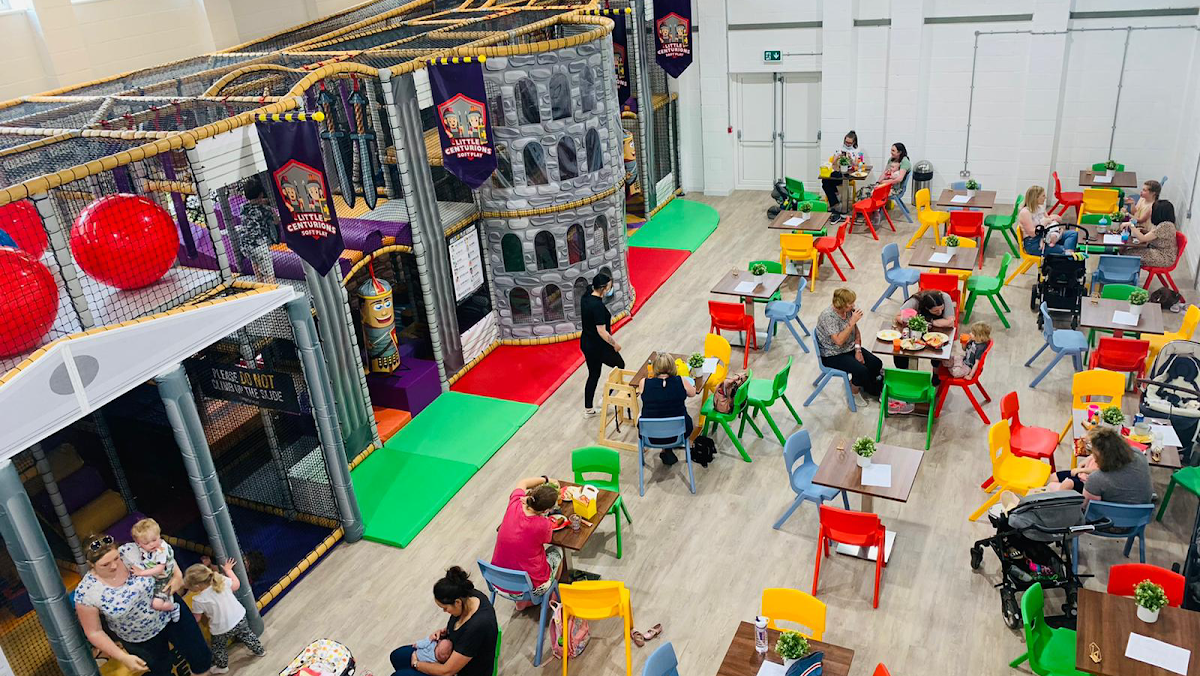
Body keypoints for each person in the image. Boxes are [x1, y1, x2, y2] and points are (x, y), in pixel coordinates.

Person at [75, 535, 213, 676]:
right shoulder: (87, 592)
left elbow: (163, 551)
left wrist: (177, 575)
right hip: (140, 638)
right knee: (161, 672)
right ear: (91, 564)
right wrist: (122, 657)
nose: (114, 566)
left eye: (116, 558)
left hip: (172, 613)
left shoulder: (131, 551)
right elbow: (94, 632)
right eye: (105, 564)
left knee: (201, 657)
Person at [389, 567, 498, 676]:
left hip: (460, 671)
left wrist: (416, 664)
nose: (444, 611)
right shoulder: (466, 595)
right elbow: (462, 628)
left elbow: (447, 671)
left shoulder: (478, 625)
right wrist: (446, 632)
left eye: (445, 608)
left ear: (457, 602)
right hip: (448, 655)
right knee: (397, 656)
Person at [183, 561, 264, 672]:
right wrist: (229, 570)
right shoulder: (221, 580)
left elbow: (197, 618)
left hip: (221, 628)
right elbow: (236, 585)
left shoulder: (198, 600)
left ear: (197, 586)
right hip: (239, 617)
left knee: (218, 647)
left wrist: (185, 617)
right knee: (247, 635)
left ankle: (222, 666)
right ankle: (259, 650)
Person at [491, 477, 562, 598]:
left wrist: (546, 479)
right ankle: (552, 594)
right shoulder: (543, 525)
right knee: (557, 551)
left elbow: (523, 482)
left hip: (498, 581)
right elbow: (548, 540)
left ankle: (522, 604)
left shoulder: (515, 502)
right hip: (528, 588)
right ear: (546, 510)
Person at [1047, 427, 1152, 503]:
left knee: (1052, 487)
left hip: (1107, 521)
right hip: (1140, 517)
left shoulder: (1097, 479)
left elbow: (1085, 508)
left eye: (1095, 455)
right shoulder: (1138, 454)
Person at [814, 288, 884, 405]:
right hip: (833, 354)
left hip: (849, 348)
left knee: (876, 363)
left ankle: (857, 383)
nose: (853, 305)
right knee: (861, 371)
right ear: (841, 304)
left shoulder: (848, 311)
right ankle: (854, 391)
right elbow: (839, 341)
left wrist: (858, 350)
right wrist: (851, 322)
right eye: (850, 303)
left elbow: (856, 332)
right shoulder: (828, 317)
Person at [637, 352, 698, 465]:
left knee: (647, 413)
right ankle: (667, 449)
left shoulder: (644, 383)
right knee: (675, 414)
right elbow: (693, 393)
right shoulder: (681, 381)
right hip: (679, 434)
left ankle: (664, 449)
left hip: (650, 435)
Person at [581, 273, 624, 417]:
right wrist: (615, 344)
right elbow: (601, 331)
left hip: (586, 343)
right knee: (620, 366)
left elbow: (589, 287)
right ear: (603, 288)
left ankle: (588, 409)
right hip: (598, 346)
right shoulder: (597, 306)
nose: (610, 289)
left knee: (593, 374)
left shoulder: (586, 296)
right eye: (608, 287)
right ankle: (605, 398)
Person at [124, 518, 180, 621]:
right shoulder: (141, 547)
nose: (152, 544)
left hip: (164, 579)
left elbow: (159, 569)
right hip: (155, 576)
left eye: (154, 540)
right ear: (138, 543)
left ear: (159, 535)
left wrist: (141, 572)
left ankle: (173, 607)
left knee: (156, 604)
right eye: (146, 543)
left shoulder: (161, 550)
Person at [237, 177, 280, 283]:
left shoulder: (243, 208)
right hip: (259, 246)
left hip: (245, 245)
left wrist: (261, 201)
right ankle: (272, 288)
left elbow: (254, 205)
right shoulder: (265, 210)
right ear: (261, 194)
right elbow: (276, 221)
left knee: (255, 261)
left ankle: (259, 282)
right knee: (269, 274)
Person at [1018, 185, 1077, 256]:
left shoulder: (1040, 207)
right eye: (1043, 196)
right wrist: (1043, 224)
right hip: (1034, 243)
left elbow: (1048, 220)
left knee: (1073, 234)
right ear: (1035, 197)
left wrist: (1055, 221)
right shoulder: (1025, 212)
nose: (1045, 198)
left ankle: (1067, 254)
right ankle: (1067, 254)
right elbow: (1032, 234)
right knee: (1064, 251)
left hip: (1046, 235)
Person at [1124, 200, 1179, 270]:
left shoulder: (1166, 225)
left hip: (1163, 257)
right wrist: (1144, 231)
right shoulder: (1164, 224)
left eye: (1152, 210)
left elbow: (1143, 239)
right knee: (1128, 251)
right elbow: (1154, 234)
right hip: (1157, 251)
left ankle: (1128, 273)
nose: (1151, 212)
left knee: (1128, 253)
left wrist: (1131, 225)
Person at [821, 131, 867, 215]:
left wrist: (851, 159)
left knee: (826, 183)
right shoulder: (840, 148)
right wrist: (837, 156)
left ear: (854, 142)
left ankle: (836, 202)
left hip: (850, 174)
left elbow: (858, 164)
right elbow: (832, 163)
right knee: (825, 180)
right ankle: (836, 203)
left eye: (850, 143)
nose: (847, 144)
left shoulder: (856, 151)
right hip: (839, 172)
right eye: (846, 142)